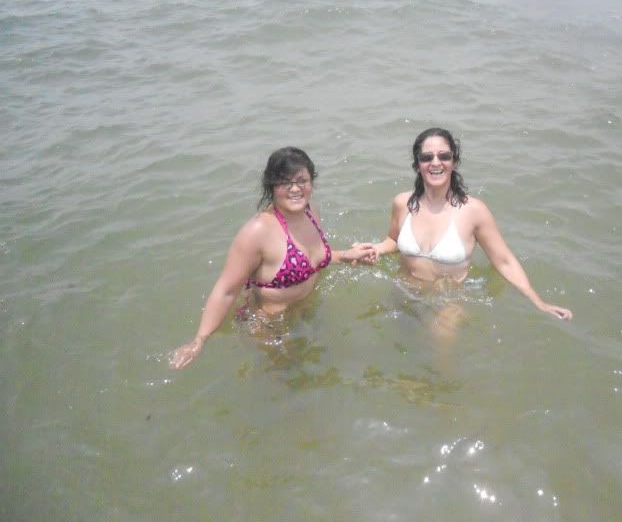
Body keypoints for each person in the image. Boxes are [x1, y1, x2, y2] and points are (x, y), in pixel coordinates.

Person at [169, 147, 375, 370]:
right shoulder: (257, 231)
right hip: (270, 327)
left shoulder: (310, 211)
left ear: (312, 183)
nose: (295, 189)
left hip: (307, 308)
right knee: (286, 382)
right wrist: (199, 340)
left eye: (302, 181)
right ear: (271, 186)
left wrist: (345, 256)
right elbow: (226, 290)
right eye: (285, 182)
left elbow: (313, 259)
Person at [364, 128, 572, 328]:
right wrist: (376, 249)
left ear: (454, 162)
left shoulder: (474, 211)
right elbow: (393, 240)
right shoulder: (403, 203)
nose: (435, 162)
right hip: (403, 291)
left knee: (438, 351)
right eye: (427, 157)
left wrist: (538, 302)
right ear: (417, 165)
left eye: (444, 156)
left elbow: (504, 261)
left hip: (447, 302)